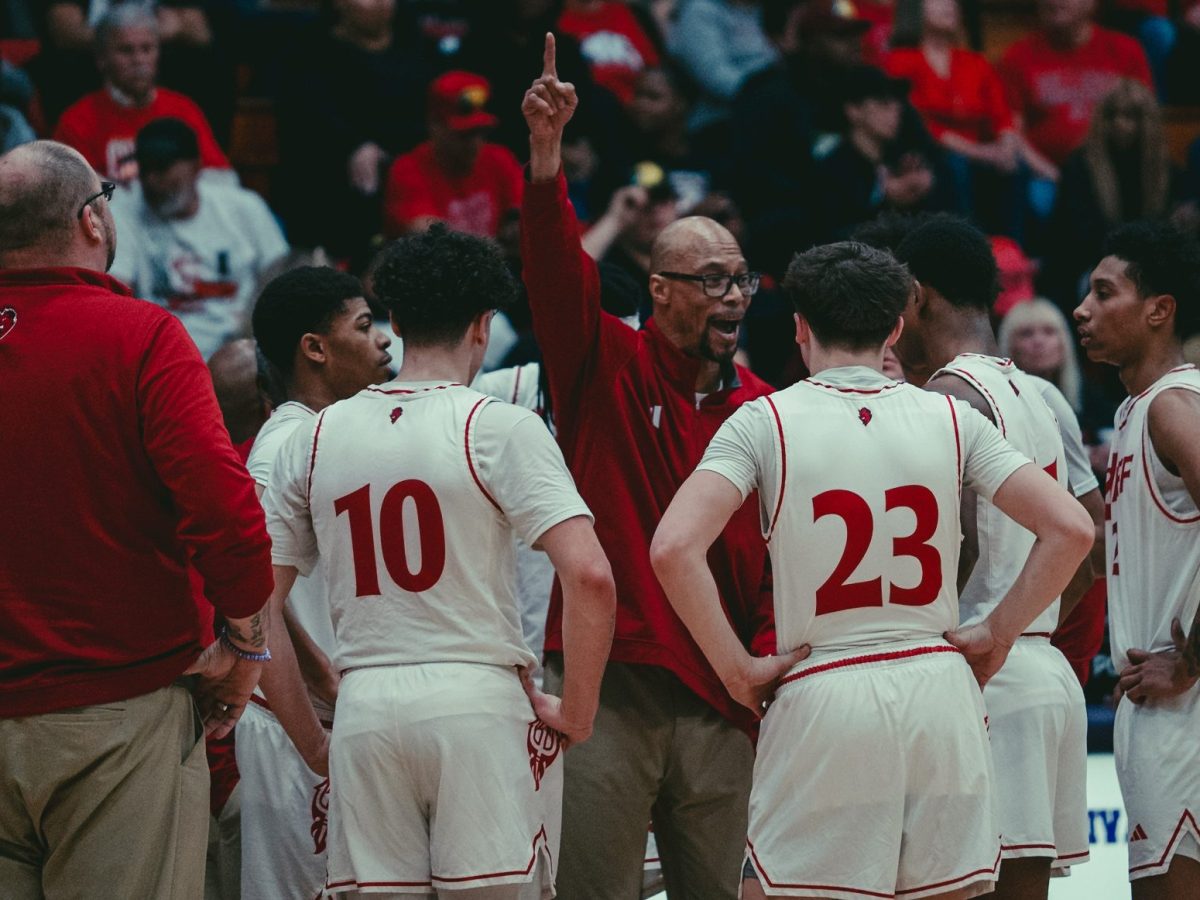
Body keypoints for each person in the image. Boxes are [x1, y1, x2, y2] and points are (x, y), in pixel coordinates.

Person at [650, 238, 1094, 900]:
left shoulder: (763, 419)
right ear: (893, 326)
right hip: (940, 692)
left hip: (826, 689)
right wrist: (1000, 630)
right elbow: (1073, 527)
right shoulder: (950, 415)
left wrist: (736, 669)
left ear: (799, 327)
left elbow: (673, 548)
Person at [260, 223, 616, 898]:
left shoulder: (313, 436)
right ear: (483, 326)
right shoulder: (499, 426)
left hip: (365, 706)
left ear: (395, 320)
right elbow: (591, 575)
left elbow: (255, 607)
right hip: (475, 701)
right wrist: (578, 712)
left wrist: (313, 742)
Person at [521, 35, 776, 899]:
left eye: (740, 280)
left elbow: (778, 555)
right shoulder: (603, 367)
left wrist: (762, 669)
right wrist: (548, 161)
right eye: (710, 280)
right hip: (608, 686)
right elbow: (556, 275)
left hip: (723, 692)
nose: (732, 297)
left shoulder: (768, 409)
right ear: (658, 289)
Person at [0, 140, 273, 898]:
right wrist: (246, 646)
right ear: (91, 220)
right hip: (113, 713)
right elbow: (225, 512)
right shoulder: (141, 336)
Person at [892, 216, 1099, 898]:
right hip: (1042, 673)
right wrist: (1027, 623)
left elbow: (955, 548)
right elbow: (1087, 536)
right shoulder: (1043, 394)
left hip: (980, 670)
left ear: (916, 297)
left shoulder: (945, 395)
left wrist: (987, 632)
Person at [235, 266, 393, 900]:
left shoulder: (325, 433)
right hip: (296, 726)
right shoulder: (285, 448)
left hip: (330, 711)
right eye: (363, 326)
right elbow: (253, 600)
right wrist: (315, 740)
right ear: (315, 348)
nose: (383, 340)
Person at [1074, 220, 1200, 896]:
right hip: (1161, 702)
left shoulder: (1173, 407)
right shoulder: (1133, 414)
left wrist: (1191, 658)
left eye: (1103, 293)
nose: (1082, 311)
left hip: (1186, 705)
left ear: (1159, 310)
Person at [109, 117, 289, 360]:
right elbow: (115, 292)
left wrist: (249, 328)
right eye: (145, 169)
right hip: (165, 352)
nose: (152, 180)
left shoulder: (242, 206)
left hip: (242, 344)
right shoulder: (127, 211)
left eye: (162, 169)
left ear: (196, 167)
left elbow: (280, 268)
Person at [886, 0, 1022, 236]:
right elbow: (920, 123)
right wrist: (980, 152)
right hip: (931, 153)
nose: (949, 5)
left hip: (983, 152)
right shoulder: (899, 61)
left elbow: (1002, 115)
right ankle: (964, 247)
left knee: (1016, 167)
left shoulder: (975, 62)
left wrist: (1006, 148)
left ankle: (1014, 253)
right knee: (954, 165)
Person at [51, 3, 229, 182]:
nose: (139, 60)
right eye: (126, 50)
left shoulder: (183, 110)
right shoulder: (77, 121)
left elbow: (221, 179)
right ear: (102, 59)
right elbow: (72, 194)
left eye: (147, 49)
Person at [1041, 79, 1176, 315]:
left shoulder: (1167, 170)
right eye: (1112, 115)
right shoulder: (1080, 166)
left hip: (1152, 265)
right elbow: (1073, 238)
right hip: (1092, 264)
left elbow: (1169, 232)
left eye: (1131, 116)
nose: (1120, 124)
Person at [998, 0, 1152, 185]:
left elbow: (1146, 123)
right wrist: (1052, 175)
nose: (1054, 2)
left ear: (1092, 4)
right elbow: (1012, 135)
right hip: (1046, 175)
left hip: (1115, 174)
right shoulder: (1017, 56)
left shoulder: (1125, 51)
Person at [382, 71, 524, 238]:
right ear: (434, 125)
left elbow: (527, 211)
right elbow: (425, 234)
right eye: (464, 136)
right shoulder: (408, 170)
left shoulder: (499, 158)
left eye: (480, 132)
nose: (475, 143)